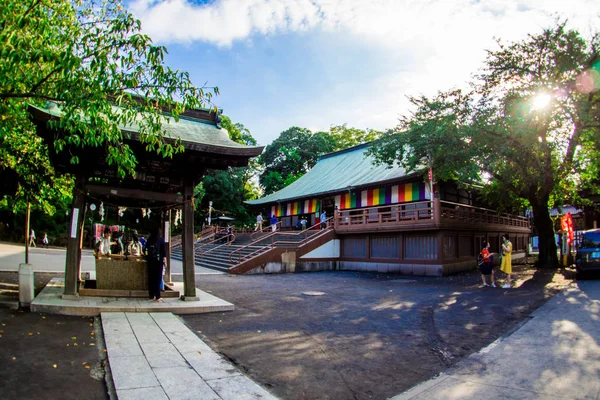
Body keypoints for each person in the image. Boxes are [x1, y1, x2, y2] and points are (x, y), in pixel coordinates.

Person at [145, 228, 166, 302]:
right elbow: (163, 252)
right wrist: (165, 262)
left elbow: (145, 250)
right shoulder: (161, 240)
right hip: (158, 261)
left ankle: (151, 295)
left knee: (151, 278)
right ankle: (158, 296)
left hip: (150, 261)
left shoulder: (149, 240)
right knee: (158, 278)